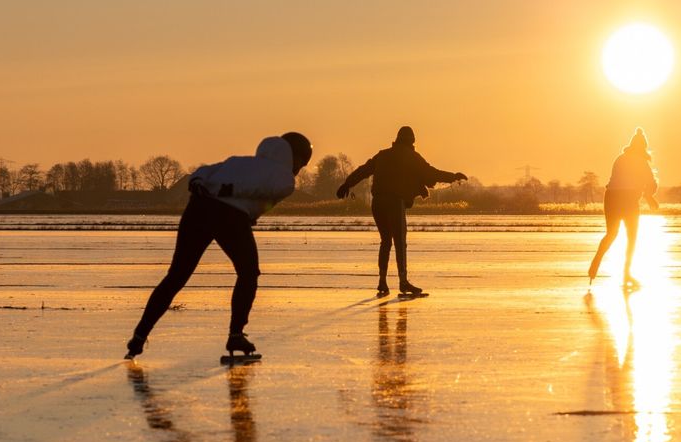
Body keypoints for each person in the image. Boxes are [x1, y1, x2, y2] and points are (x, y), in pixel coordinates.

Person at [125, 132, 313, 360]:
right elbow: (256, 190)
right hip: (229, 215)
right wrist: (227, 192)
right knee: (248, 273)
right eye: (301, 164)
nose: (298, 170)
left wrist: (200, 184)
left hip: (198, 208)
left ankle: (139, 335)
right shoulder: (284, 179)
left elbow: (203, 172)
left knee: (176, 276)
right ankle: (236, 334)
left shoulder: (240, 162)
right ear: (294, 157)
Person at [336, 126, 467, 296]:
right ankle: (403, 282)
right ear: (411, 141)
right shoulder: (411, 156)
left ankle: (382, 281)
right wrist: (454, 176)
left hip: (377, 203)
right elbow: (431, 173)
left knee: (386, 241)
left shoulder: (382, 155)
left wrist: (347, 183)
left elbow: (364, 170)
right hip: (394, 202)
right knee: (400, 243)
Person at [588, 128, 658, 289]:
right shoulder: (642, 161)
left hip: (611, 197)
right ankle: (626, 273)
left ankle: (596, 262)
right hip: (628, 199)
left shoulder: (620, 158)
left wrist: (647, 195)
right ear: (643, 147)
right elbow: (651, 183)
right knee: (631, 238)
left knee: (611, 233)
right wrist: (649, 197)